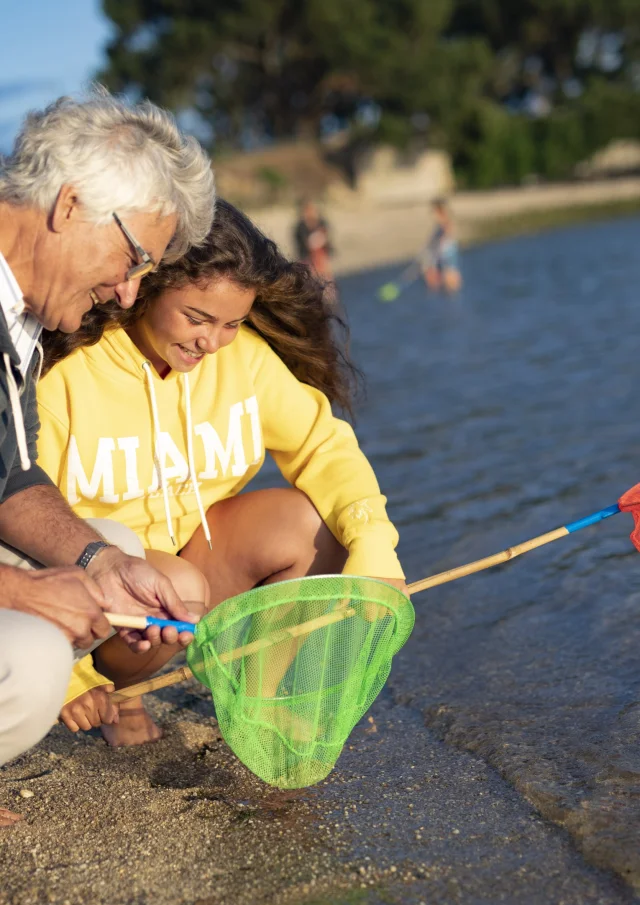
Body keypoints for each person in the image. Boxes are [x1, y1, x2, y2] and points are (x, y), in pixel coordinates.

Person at [37, 199, 408, 749]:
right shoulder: (68, 376)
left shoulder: (246, 360)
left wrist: (375, 549)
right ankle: (122, 692)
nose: (212, 342)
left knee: (313, 522)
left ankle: (253, 696)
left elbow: (323, 446)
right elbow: (28, 529)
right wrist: (73, 678)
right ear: (143, 287)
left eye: (232, 323)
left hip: (200, 563)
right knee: (175, 585)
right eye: (197, 318)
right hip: (100, 593)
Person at [0, 89, 215, 826]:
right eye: (132, 258)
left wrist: (96, 562)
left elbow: (13, 481)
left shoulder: (16, 316)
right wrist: (24, 594)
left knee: (118, 547)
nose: (127, 293)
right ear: (68, 205)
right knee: (29, 662)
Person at [422, 198, 462, 294]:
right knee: (442, 274)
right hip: (443, 251)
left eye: (434, 211)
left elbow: (448, 232)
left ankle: (453, 294)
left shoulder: (445, 221)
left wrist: (441, 240)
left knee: (449, 274)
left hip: (447, 251)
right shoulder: (441, 223)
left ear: (439, 210)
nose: (433, 214)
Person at [293, 198, 335, 285]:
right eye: (308, 210)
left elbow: (327, 240)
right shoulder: (300, 227)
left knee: (327, 284)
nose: (311, 212)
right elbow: (304, 244)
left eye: (312, 210)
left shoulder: (322, 223)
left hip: (322, 259)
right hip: (307, 259)